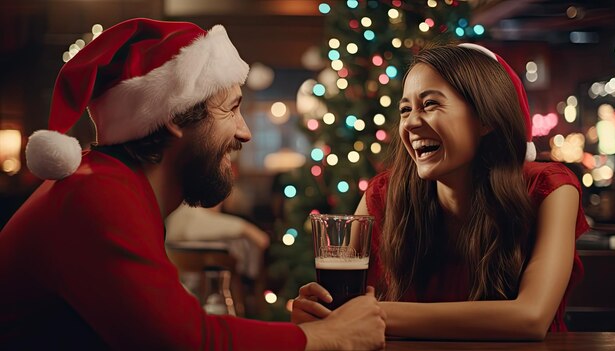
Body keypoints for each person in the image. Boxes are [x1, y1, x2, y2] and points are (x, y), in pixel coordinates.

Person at [0, 18, 386, 350]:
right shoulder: (98, 195)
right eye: (231, 109)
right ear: (175, 116)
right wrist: (330, 337)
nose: (245, 133)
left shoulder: (113, 186)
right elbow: (188, 343)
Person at [292, 43, 589, 340]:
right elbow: (338, 308)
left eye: (430, 104)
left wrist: (367, 314)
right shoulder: (383, 194)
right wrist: (319, 313)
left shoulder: (550, 187)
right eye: (405, 110)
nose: (411, 123)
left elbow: (530, 317)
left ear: (486, 118)